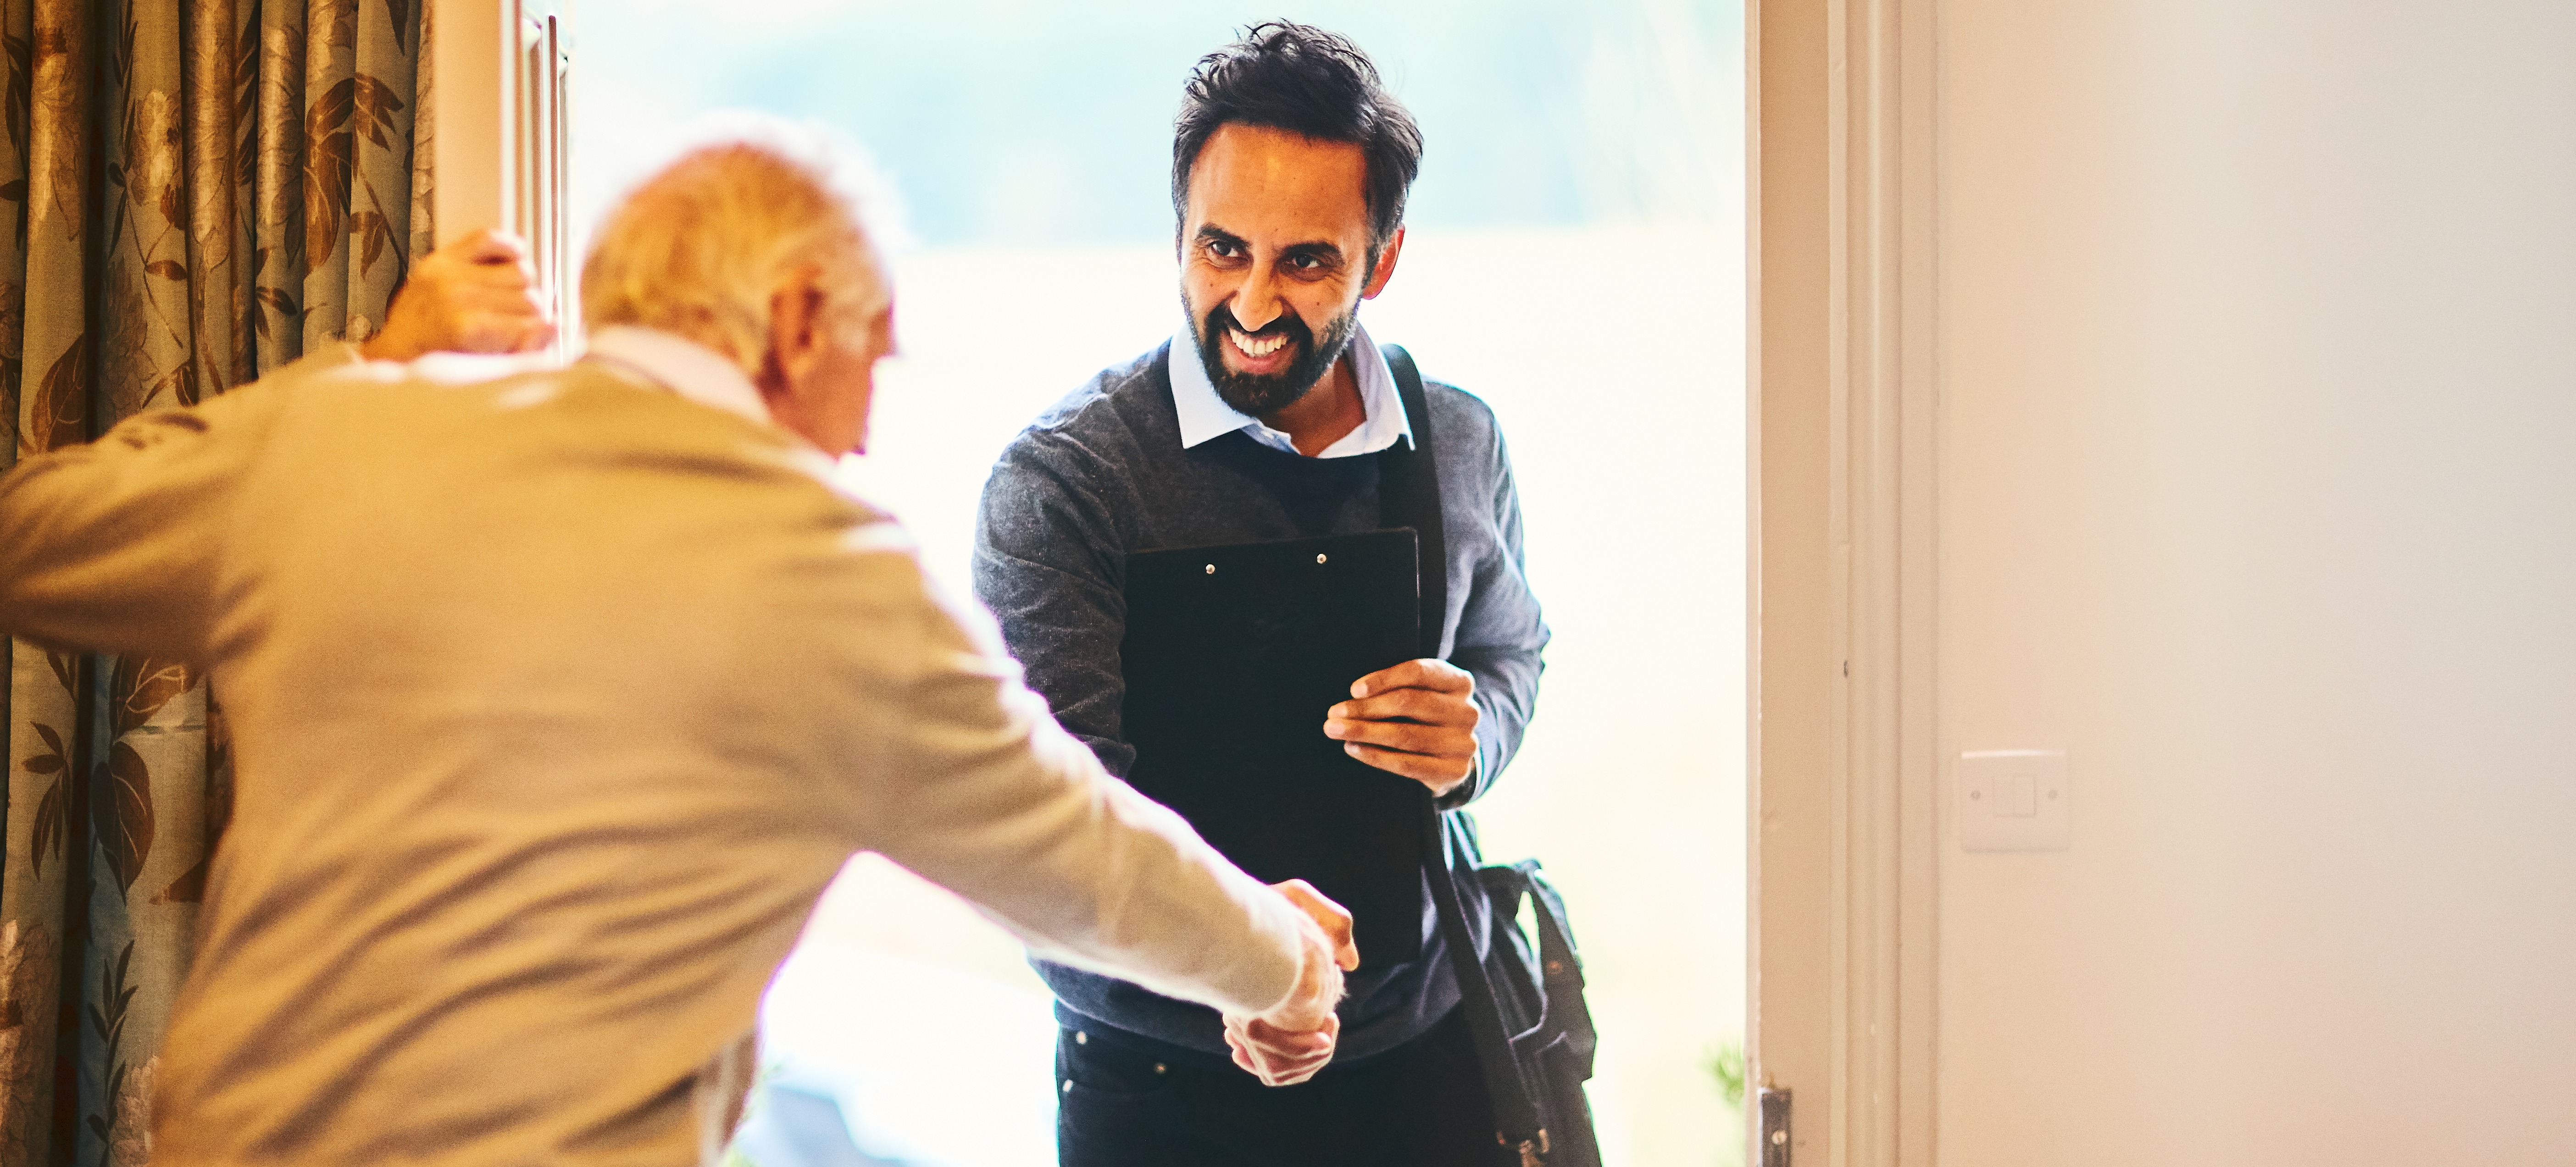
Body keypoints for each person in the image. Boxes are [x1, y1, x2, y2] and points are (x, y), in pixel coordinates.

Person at [0, 127, 1357, 1166]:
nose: (870, 430)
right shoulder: (835, 574)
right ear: (796, 318)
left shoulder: (343, 438)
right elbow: (1089, 864)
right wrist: (1283, 958)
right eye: (874, 361)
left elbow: (33, 536)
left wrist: (364, 371)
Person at [974, 22, 1551, 1167]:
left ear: (1380, 260)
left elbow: (1512, 655)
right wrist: (1237, 970)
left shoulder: (1460, 441)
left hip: (1426, 1055)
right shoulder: (1065, 486)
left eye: (1306, 261)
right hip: (1161, 1081)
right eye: (1222, 249)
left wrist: (1470, 739)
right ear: (1178, 234)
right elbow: (1040, 845)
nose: (1251, 301)